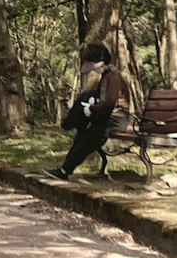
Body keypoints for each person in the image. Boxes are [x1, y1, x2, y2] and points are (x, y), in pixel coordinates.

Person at [44, 42, 130, 180]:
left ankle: (65, 171)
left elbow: (109, 103)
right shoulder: (107, 75)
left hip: (115, 120)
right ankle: (64, 170)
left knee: (87, 139)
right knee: (82, 136)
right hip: (107, 119)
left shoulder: (112, 76)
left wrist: (92, 108)